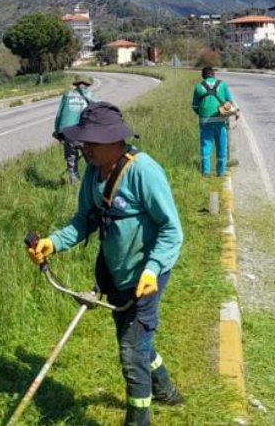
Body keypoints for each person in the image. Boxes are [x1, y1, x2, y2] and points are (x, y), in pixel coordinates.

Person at [28, 101, 184, 426]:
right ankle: (167, 391)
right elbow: (82, 221)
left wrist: (153, 269)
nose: (85, 149)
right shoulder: (92, 174)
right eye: (83, 142)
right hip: (115, 275)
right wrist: (52, 243)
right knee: (136, 341)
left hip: (146, 276)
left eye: (92, 143)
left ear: (115, 140)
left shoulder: (144, 171)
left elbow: (171, 229)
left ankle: (137, 421)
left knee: (131, 352)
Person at [191, 67, 240, 177]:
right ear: (214, 75)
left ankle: (206, 172)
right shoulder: (222, 85)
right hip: (220, 120)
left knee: (205, 146)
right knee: (221, 146)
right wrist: (236, 113)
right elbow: (230, 102)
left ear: (203, 76)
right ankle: (221, 172)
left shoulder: (198, 87)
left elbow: (194, 106)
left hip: (205, 122)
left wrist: (203, 113)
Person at [53, 75, 96, 183]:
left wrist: (58, 131)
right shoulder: (91, 95)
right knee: (91, 160)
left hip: (69, 133)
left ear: (76, 85)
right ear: (87, 84)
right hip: (84, 133)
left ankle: (74, 182)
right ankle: (93, 182)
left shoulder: (67, 95)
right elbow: (99, 112)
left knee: (71, 160)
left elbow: (60, 115)